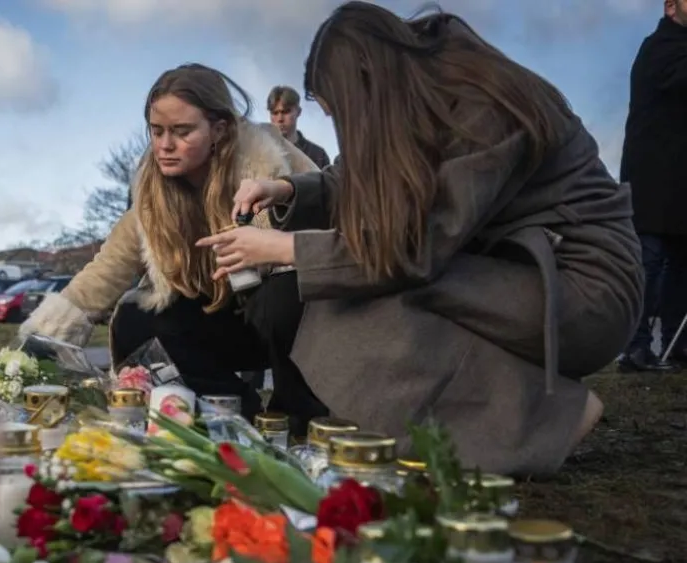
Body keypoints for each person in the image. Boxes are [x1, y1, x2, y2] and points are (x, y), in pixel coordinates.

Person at [197, 2, 643, 476]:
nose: (344, 128)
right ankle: (527, 409)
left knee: (372, 287)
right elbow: (362, 174)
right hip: (521, 273)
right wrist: (285, 188)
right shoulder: (427, 96)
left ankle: (544, 419)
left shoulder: (482, 106)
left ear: (368, 85)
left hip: (584, 291)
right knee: (350, 285)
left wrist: (283, 249)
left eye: (343, 112)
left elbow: (413, 251)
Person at [20, 63, 316, 418]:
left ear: (218, 129)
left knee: (284, 293)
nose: (164, 145)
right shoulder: (152, 192)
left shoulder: (272, 159)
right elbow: (107, 270)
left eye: (181, 131)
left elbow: (332, 213)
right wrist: (32, 352)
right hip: (218, 323)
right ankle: (229, 412)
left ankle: (298, 421)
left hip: (286, 321)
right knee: (134, 314)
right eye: (156, 131)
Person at [617, 0, 687, 372]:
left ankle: (678, 344)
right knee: (649, 260)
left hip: (680, 180)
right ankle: (636, 347)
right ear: (671, 7)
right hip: (652, 175)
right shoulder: (659, 47)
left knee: (681, 263)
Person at [267, 86, 332, 168]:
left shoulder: (318, 155)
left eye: (286, 112)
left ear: (298, 112)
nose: (280, 119)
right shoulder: (261, 152)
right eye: (275, 113)